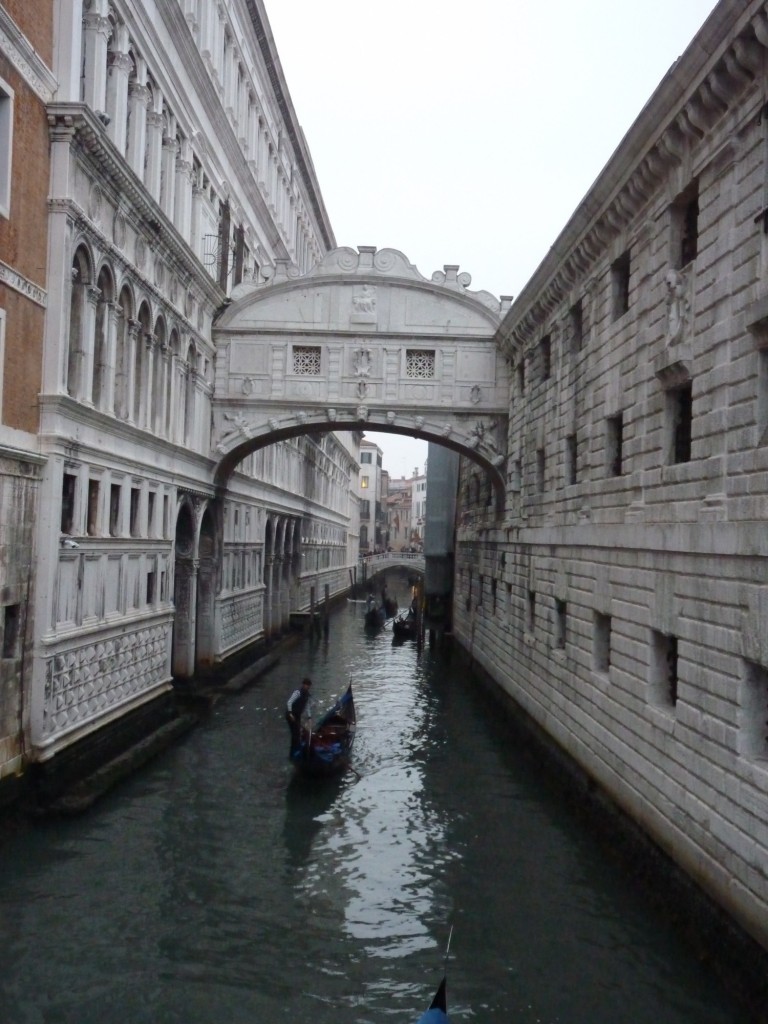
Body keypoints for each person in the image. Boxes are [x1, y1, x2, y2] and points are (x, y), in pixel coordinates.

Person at [285, 677, 312, 757]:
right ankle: (292, 753)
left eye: (308, 686)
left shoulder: (307, 695)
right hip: (291, 715)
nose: (307, 687)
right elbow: (289, 702)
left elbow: (307, 706)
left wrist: (309, 718)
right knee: (295, 733)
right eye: (306, 685)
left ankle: (296, 750)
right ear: (303, 685)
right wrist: (290, 713)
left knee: (297, 733)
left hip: (297, 715)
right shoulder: (297, 692)